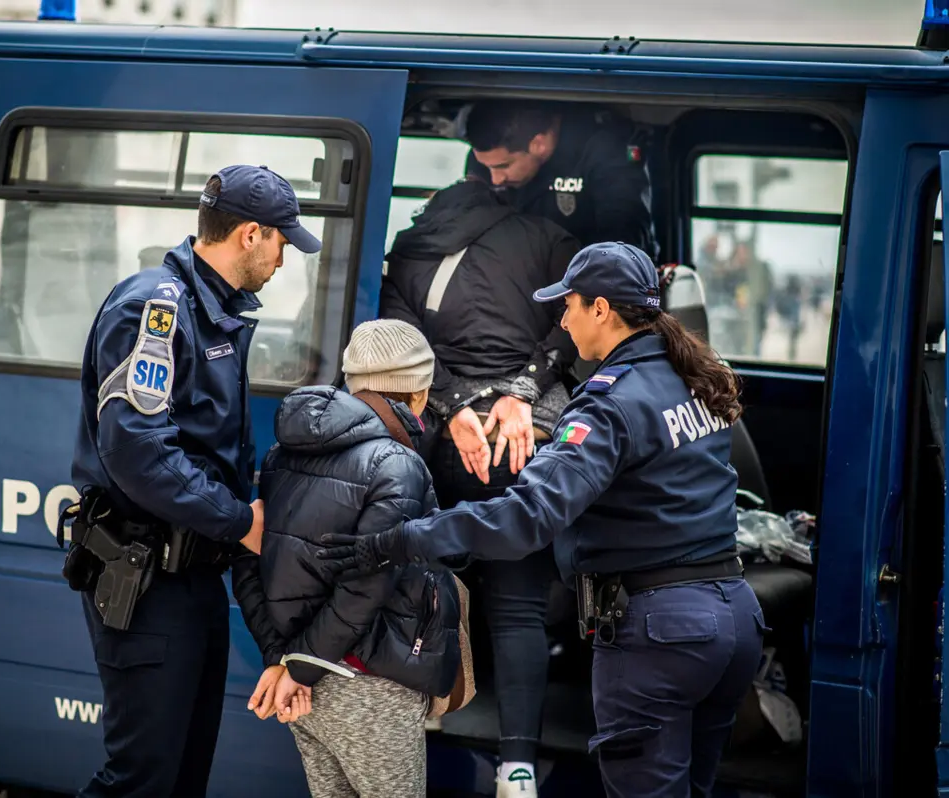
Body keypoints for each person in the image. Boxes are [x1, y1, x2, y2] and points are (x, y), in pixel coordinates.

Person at [319, 242, 765, 798]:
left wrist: (399, 539)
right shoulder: (696, 376)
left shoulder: (609, 405)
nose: (563, 320)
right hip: (734, 619)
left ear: (601, 309)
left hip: (662, 635)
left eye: (569, 305)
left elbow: (526, 518)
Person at [66, 164, 321, 798]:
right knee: (140, 781)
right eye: (282, 242)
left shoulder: (212, 310)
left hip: (193, 575)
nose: (283, 259)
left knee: (181, 779)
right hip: (147, 577)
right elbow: (138, 451)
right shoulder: (156, 308)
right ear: (250, 234)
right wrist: (239, 521)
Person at [379, 176, 579, 795]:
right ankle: (517, 768)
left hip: (445, 446)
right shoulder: (545, 237)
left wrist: (454, 405)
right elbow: (572, 324)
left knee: (426, 587)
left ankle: (427, 717)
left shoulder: (408, 251)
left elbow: (402, 348)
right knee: (518, 608)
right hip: (522, 439)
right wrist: (521, 391)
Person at [231, 318, 462, 798]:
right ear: (418, 395)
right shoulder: (398, 464)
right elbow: (366, 585)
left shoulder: (281, 454)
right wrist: (299, 667)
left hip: (304, 684)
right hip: (371, 685)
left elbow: (250, 558)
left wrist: (283, 660)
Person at [463, 99, 658, 257]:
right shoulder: (486, 157)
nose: (495, 179)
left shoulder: (603, 149)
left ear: (539, 145)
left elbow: (623, 236)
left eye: (504, 166)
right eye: (486, 167)